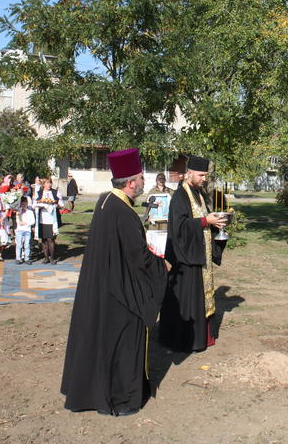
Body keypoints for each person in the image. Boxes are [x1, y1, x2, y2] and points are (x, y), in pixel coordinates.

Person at [61, 148, 167, 417]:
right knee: (121, 344)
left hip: (104, 285)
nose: (144, 181)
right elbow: (138, 258)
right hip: (122, 292)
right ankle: (120, 400)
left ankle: (98, 393)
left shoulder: (106, 201)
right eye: (141, 178)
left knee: (101, 342)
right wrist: (162, 265)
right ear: (131, 183)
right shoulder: (123, 212)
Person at [159, 155, 228, 353]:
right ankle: (183, 340)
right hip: (185, 259)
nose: (204, 178)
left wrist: (217, 226)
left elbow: (203, 219)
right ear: (189, 173)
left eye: (205, 175)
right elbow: (179, 227)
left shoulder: (199, 193)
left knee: (200, 298)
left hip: (200, 253)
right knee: (185, 301)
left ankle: (202, 337)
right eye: (200, 175)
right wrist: (206, 221)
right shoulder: (180, 196)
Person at [34, 178, 64, 264]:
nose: (49, 185)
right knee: (43, 239)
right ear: (43, 184)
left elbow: (61, 205)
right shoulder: (39, 193)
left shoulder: (55, 192)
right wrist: (42, 204)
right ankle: (46, 257)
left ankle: (52, 258)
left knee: (51, 239)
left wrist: (55, 204)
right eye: (47, 183)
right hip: (42, 219)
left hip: (52, 219)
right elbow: (34, 203)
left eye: (50, 183)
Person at [15, 197, 35, 265]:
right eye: (22, 204)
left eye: (25, 204)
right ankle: (18, 258)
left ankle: (27, 258)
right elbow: (18, 220)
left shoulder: (30, 212)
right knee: (19, 244)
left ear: (27, 204)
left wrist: (26, 223)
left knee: (27, 245)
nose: (23, 205)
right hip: (20, 230)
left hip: (27, 230)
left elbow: (32, 221)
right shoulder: (18, 211)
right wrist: (20, 222)